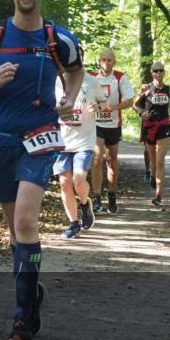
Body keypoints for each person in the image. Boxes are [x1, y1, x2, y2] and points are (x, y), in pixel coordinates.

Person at [0, 0, 83, 340]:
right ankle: (32, 292)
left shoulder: (57, 38)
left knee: (26, 221)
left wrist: (69, 98)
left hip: (40, 137)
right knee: (14, 231)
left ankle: (21, 319)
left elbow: (76, 70)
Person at [54, 73, 100, 238]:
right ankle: (73, 224)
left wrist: (98, 107)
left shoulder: (92, 81)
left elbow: (103, 102)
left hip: (84, 141)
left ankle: (85, 203)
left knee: (78, 179)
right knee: (64, 183)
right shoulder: (56, 81)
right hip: (62, 141)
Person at [89, 49, 135, 214]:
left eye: (109, 60)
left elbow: (130, 101)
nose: (106, 63)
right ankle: (96, 197)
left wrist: (114, 107)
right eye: (103, 60)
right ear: (99, 61)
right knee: (97, 158)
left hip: (114, 125)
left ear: (114, 62)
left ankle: (112, 195)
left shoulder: (120, 77)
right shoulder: (91, 77)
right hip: (96, 124)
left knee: (112, 161)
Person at [133, 61, 170, 207]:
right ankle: (152, 175)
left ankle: (158, 195)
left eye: (161, 70)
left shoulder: (169, 90)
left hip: (164, 126)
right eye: (155, 71)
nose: (158, 73)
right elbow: (135, 105)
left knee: (160, 161)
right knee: (153, 163)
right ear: (152, 73)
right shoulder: (146, 88)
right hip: (149, 126)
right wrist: (141, 113)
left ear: (164, 72)